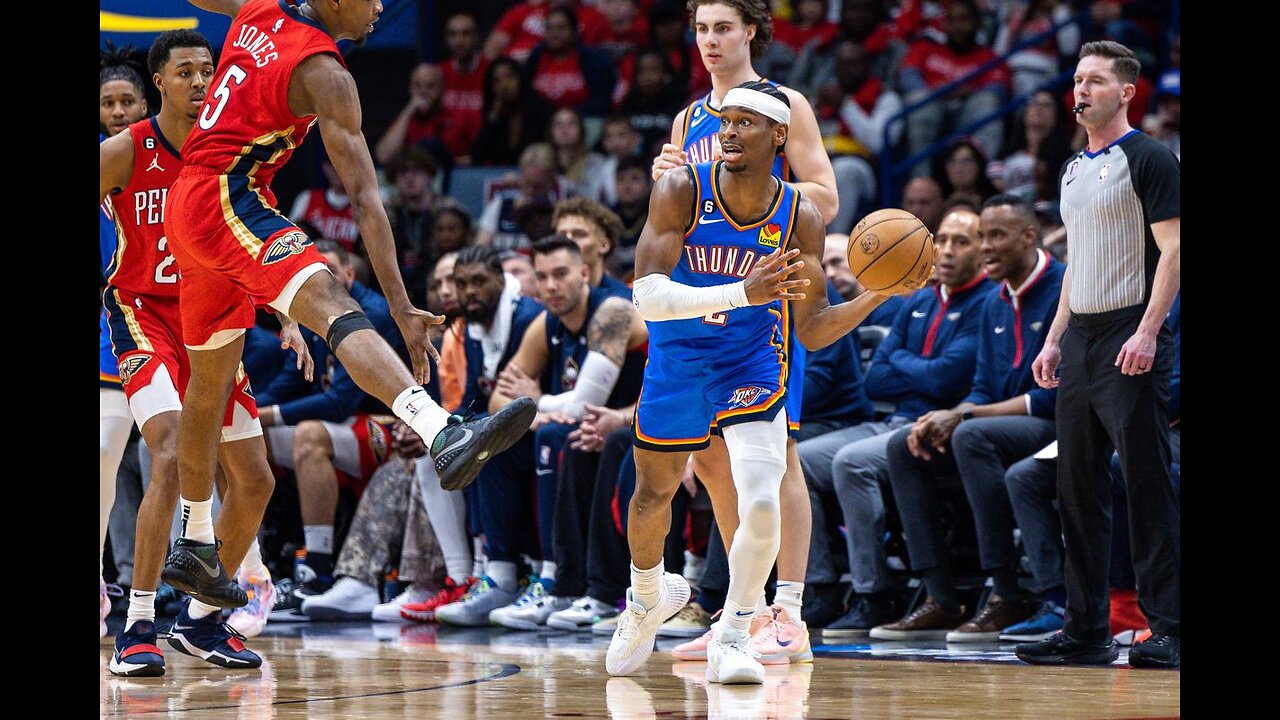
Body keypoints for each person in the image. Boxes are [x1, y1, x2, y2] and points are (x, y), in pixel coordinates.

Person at [161, 0, 535, 618]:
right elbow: (365, 199)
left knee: (210, 382)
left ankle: (198, 539)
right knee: (332, 298)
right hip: (229, 197)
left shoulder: (259, 8)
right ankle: (440, 429)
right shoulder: (324, 71)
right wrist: (402, 305)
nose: (381, 5)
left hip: (188, 206)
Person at [607, 81, 891, 683]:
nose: (728, 132)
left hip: (753, 362)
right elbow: (647, 295)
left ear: (779, 137)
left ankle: (737, 630)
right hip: (679, 361)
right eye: (725, 121)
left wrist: (877, 295)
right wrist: (744, 291)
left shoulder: (800, 215)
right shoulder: (681, 188)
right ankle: (646, 596)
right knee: (652, 496)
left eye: (745, 123)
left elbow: (811, 330)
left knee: (761, 492)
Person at [101, 29, 302, 677]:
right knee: (167, 452)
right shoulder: (127, 149)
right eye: (184, 71)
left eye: (207, 70)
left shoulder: (231, 155)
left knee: (255, 479)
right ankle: (136, 623)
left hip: (214, 326)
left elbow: (254, 238)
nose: (198, 81)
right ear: (156, 81)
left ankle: (200, 620)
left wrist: (287, 310)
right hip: (144, 315)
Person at [649, 0, 840, 665]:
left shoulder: (785, 103)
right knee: (708, 457)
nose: (710, 40)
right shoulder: (687, 119)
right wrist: (673, 184)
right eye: (701, 29)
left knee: (776, 452)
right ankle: (745, 610)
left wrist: (751, 195)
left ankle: (789, 611)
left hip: (767, 296)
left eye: (723, 27)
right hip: (705, 298)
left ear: (752, 31)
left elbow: (826, 194)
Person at [1019, 40, 1180, 669]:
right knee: (1075, 487)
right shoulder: (1072, 168)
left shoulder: (1150, 158)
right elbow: (1078, 263)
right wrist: (1054, 338)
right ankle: (1083, 629)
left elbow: (1173, 252)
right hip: (1081, 335)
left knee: (1144, 486)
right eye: (1078, 80)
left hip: (1130, 331)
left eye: (1095, 81)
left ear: (1125, 92)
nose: (1081, 90)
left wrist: (1147, 331)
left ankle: (1168, 627)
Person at [872, 194, 1063, 643]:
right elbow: (980, 386)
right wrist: (948, 415)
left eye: (995, 236)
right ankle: (941, 596)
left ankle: (1006, 591)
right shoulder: (996, 302)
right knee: (908, 443)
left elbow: (1053, 397)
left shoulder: (1061, 290)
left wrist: (965, 414)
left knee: (972, 436)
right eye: (983, 237)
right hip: (1002, 426)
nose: (986, 247)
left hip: (1056, 425)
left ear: (1029, 236)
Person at [480, 236, 647, 630]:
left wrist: (535, 401)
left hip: (640, 422)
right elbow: (497, 402)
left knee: (563, 437)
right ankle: (504, 572)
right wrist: (533, 414)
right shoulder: (546, 322)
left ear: (585, 273)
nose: (551, 286)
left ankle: (572, 583)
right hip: (598, 430)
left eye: (561, 274)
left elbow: (584, 403)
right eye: (542, 277)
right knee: (492, 441)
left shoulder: (613, 311)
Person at [100, 44, 151, 639]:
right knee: (110, 450)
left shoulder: (185, 157)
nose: (117, 111)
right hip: (116, 320)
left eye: (127, 101)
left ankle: (247, 574)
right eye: (107, 103)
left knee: (205, 456)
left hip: (183, 319)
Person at [552, 196, 631, 298]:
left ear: (603, 245)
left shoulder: (623, 300)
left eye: (579, 234)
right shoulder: (551, 296)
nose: (567, 241)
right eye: (561, 235)